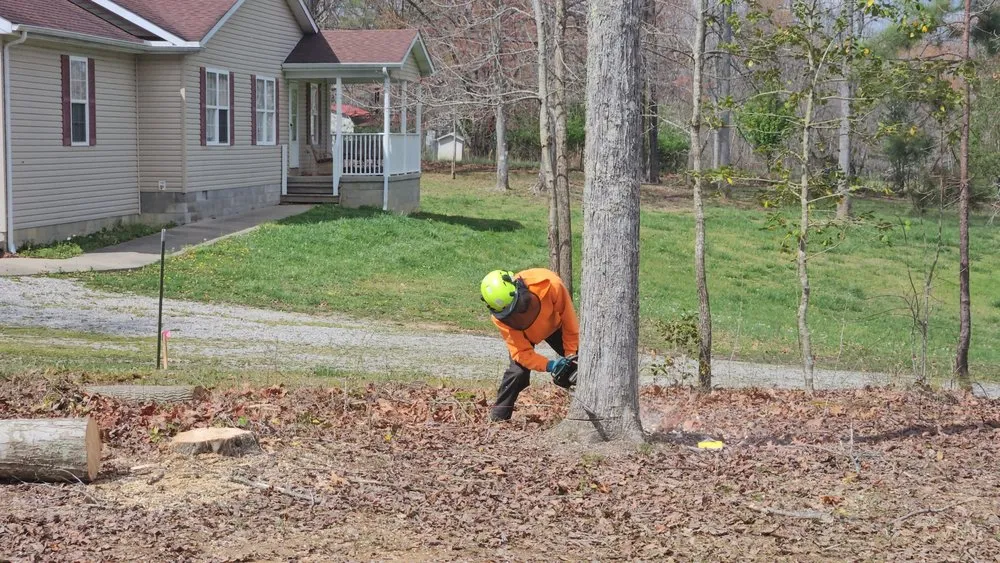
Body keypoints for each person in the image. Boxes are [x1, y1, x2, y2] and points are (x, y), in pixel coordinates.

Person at [480, 268, 579, 422]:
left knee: (580, 362)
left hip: (554, 325)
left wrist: (571, 355)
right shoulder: (500, 318)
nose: (516, 315)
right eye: (510, 315)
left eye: (517, 308)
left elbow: (570, 324)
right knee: (517, 373)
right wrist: (550, 365)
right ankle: (498, 419)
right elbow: (521, 353)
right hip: (524, 334)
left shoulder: (550, 284)